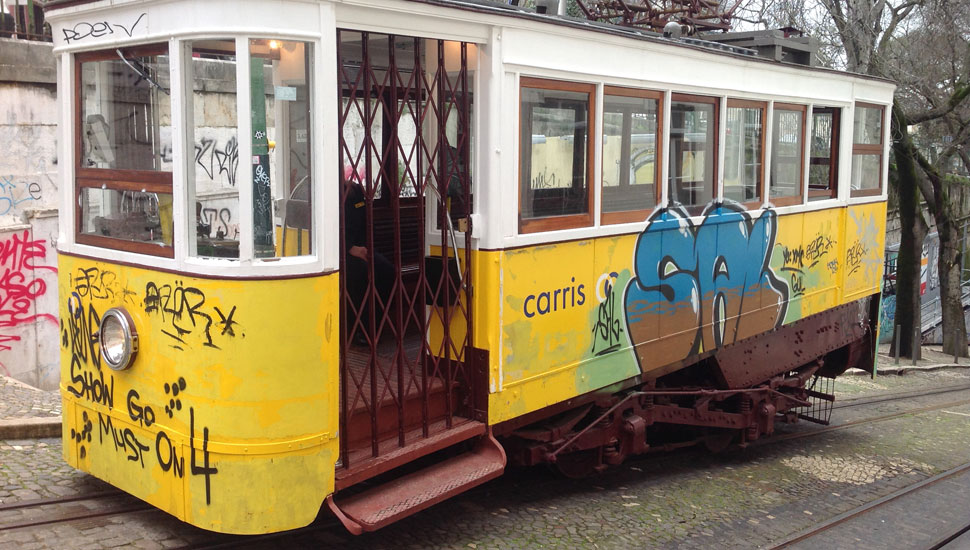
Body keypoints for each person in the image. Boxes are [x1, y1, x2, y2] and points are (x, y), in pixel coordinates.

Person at [343, 166, 395, 347]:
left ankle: (376, 325)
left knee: (387, 271)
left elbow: (366, 221)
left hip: (363, 249)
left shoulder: (356, 191)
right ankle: (357, 329)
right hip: (342, 254)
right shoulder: (326, 193)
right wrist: (350, 248)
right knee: (359, 276)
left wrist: (366, 247)